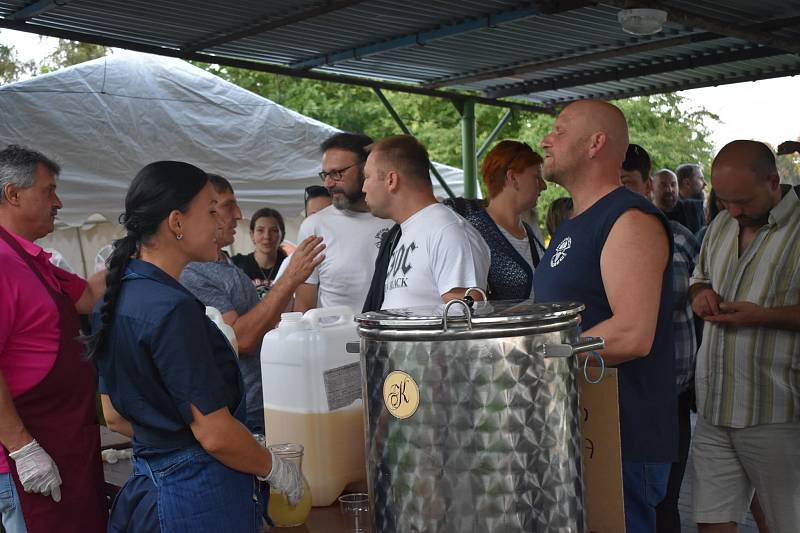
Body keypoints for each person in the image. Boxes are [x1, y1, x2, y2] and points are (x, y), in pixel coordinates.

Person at [88, 161, 307, 532]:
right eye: (210, 211)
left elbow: (114, 415)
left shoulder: (118, 295)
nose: (222, 223)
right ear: (176, 222)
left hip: (149, 485)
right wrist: (272, 466)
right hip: (196, 496)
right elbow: (215, 434)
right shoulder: (174, 309)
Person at [533, 101, 677, 533]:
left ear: (596, 143)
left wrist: (533, 357)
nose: (546, 139)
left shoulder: (628, 218)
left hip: (622, 440)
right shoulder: (575, 223)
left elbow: (633, 334)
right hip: (580, 429)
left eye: (559, 130)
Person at [689, 140, 800, 533]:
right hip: (715, 408)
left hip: (777, 411)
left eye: (743, 201)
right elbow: (698, 277)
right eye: (724, 201)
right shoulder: (721, 224)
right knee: (711, 521)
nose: (733, 211)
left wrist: (765, 317)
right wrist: (700, 294)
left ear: (774, 181)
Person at [0, 145, 107, 533]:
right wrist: (23, 448)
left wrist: (134, 251)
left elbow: (90, 296)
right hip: (30, 456)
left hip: (69, 445)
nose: (58, 202)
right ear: (13, 194)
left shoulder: (35, 261)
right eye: (48, 191)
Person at [181, 174, 324, 433]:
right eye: (228, 206)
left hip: (263, 400)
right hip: (240, 412)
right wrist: (290, 278)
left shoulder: (225, 263)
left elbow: (265, 320)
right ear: (206, 211)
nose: (237, 214)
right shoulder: (193, 273)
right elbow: (240, 339)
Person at [620, 143, 700, 533]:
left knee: (666, 496)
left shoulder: (682, 239)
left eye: (628, 183)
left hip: (675, 390)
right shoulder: (599, 242)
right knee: (638, 498)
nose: (620, 193)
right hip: (627, 393)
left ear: (647, 184)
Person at [361, 134, 490, 309]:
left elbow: (464, 318)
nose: (364, 188)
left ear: (391, 180)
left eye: (367, 177)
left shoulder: (448, 231)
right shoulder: (407, 230)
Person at [294, 133, 394, 313]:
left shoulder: (397, 220)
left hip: (388, 337)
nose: (328, 184)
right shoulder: (314, 227)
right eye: (325, 174)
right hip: (333, 339)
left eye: (337, 173)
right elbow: (304, 308)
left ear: (366, 169)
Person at [464, 140, 546, 300]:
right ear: (512, 177)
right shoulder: (472, 232)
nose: (543, 186)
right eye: (536, 177)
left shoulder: (530, 232)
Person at [231, 207, 288, 299]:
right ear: (252, 235)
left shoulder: (289, 267)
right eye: (260, 230)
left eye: (273, 230)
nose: (267, 236)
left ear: (282, 235)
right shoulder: (237, 265)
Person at [653, 168, 706, 234]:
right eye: (663, 185)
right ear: (652, 188)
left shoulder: (694, 209)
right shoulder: (648, 216)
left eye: (673, 185)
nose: (669, 189)